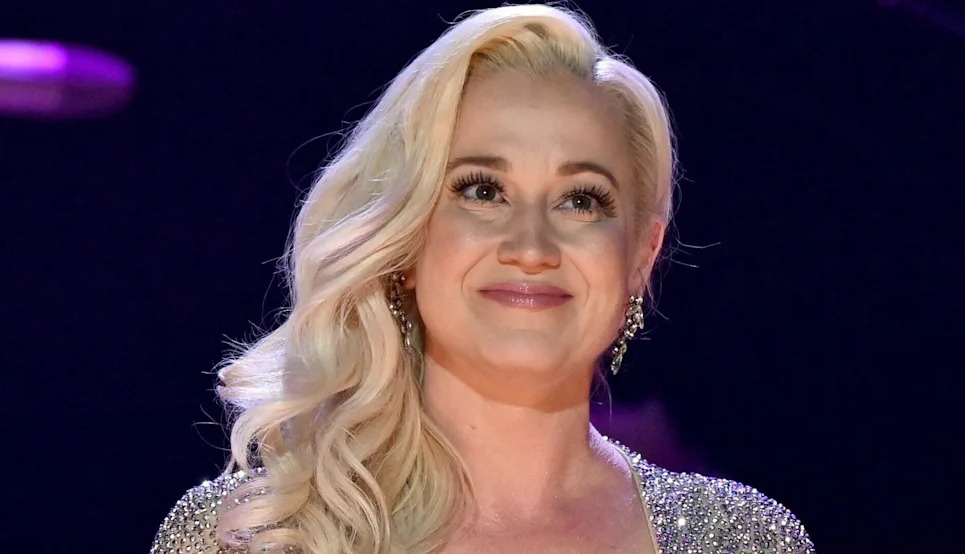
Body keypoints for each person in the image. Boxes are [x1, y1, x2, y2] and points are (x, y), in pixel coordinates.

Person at [151, 5, 814, 553]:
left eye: (581, 200)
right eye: (482, 190)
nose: (531, 247)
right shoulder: (245, 537)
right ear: (406, 239)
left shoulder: (746, 541)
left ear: (642, 255)